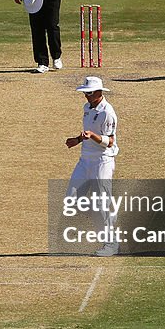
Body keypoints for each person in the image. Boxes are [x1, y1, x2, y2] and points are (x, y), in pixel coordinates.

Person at [65, 76, 119, 256]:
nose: (86, 96)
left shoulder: (107, 112)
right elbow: (87, 133)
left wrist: (93, 136)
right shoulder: (87, 108)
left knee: (102, 203)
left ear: (99, 92)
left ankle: (111, 244)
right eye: (85, 93)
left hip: (102, 161)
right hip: (85, 159)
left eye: (89, 93)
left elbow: (110, 142)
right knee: (71, 199)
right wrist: (77, 140)